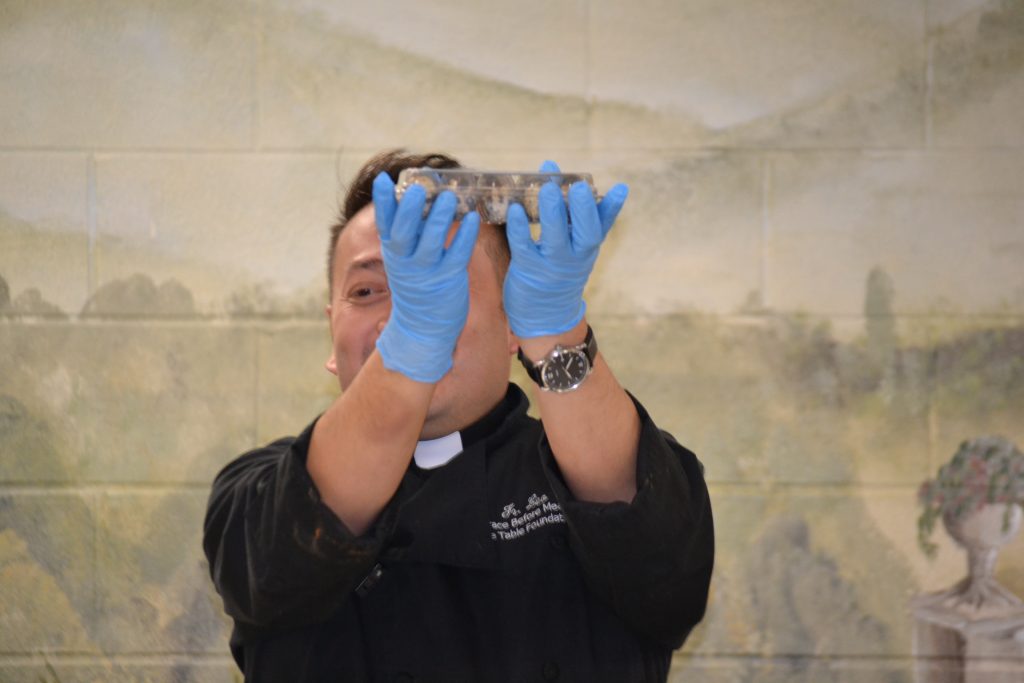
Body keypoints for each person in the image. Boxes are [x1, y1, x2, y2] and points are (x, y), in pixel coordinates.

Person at [203, 150, 714, 682]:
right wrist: (412, 344)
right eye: (367, 291)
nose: (401, 313)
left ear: (515, 321)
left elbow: (664, 571)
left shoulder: (600, 468)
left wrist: (557, 333)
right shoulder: (255, 498)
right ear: (332, 336)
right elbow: (287, 552)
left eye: (441, 283)